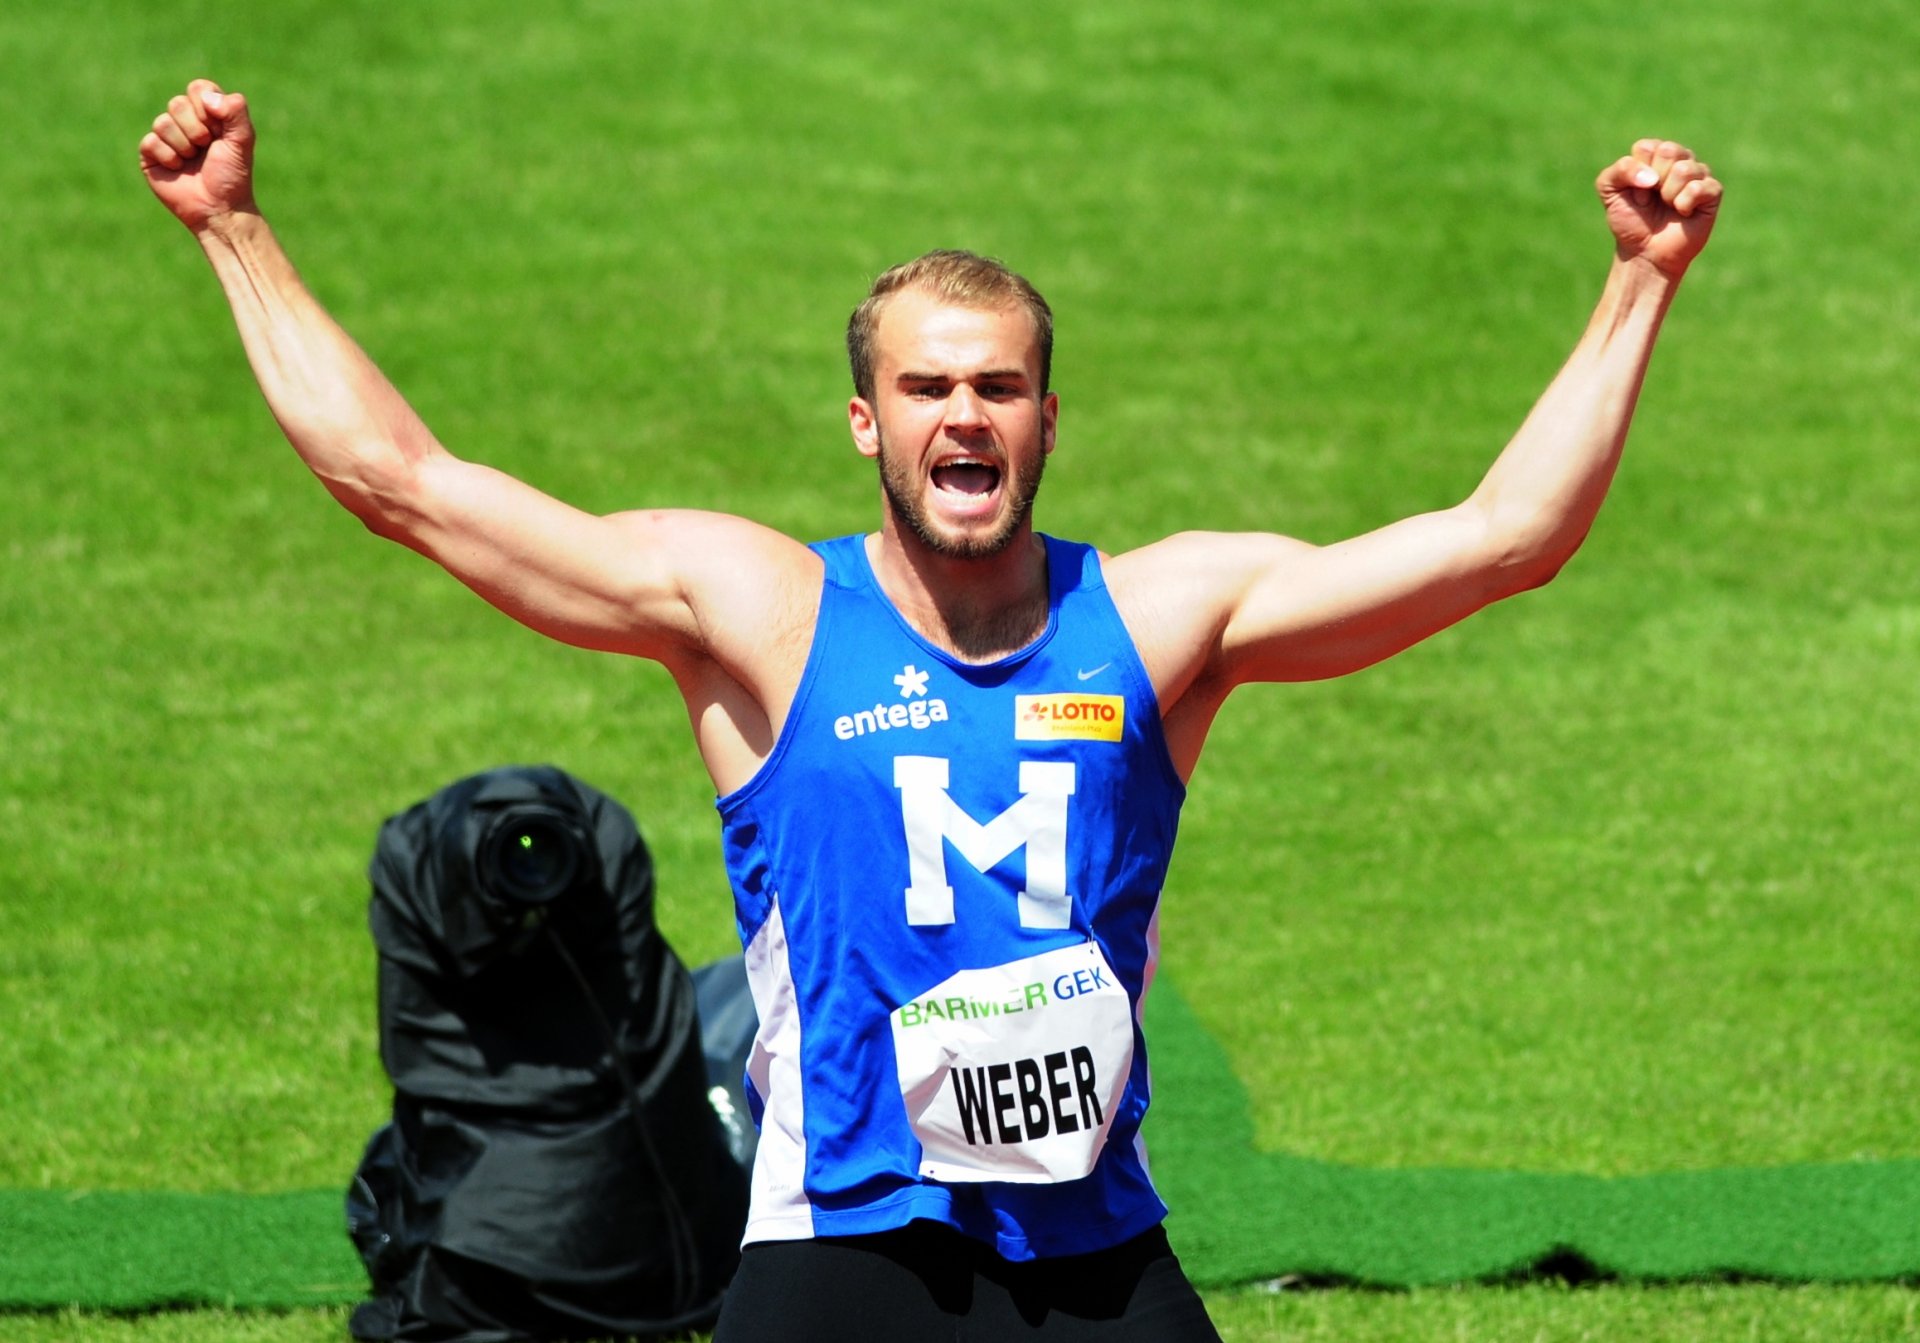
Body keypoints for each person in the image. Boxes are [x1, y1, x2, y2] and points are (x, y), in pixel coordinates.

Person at [140, 79, 1721, 1342]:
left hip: (1095, 1254)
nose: (963, 413)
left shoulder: (1162, 620)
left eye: (999, 386)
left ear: (1046, 418)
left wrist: (1638, 283)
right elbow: (408, 489)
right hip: (840, 1245)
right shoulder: (763, 613)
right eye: (926, 387)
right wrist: (236, 235)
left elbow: (1504, 539)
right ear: (866, 420)